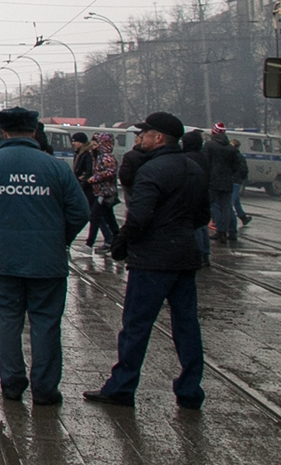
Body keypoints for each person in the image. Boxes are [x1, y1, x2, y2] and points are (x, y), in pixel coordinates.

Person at [0, 107, 90, 406]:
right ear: (33, 131)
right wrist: (59, 239)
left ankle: (12, 384)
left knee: (8, 321)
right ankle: (45, 389)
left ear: (2, 132)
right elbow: (81, 211)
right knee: (46, 322)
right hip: (48, 260)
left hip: (3, 258)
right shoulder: (56, 168)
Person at [86, 111, 211, 410]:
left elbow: (138, 217)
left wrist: (121, 243)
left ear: (158, 138)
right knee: (186, 326)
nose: (138, 138)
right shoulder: (193, 168)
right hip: (184, 257)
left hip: (152, 261)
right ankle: (190, 390)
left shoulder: (151, 171)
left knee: (136, 325)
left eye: (144, 133)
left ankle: (122, 387)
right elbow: (203, 217)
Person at [83, 134, 121, 251]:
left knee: (95, 216)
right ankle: (118, 241)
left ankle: (89, 244)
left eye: (95, 144)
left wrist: (94, 179)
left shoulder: (106, 157)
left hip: (105, 193)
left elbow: (110, 172)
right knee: (109, 219)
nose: (93, 147)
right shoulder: (98, 157)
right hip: (101, 192)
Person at [205, 124, 242, 244]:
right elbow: (236, 166)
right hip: (227, 182)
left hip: (213, 181)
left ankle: (219, 231)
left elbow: (205, 162)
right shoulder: (231, 149)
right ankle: (226, 231)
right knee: (226, 207)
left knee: (213, 206)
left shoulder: (209, 146)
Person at [182, 130, 211, 264]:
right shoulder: (202, 156)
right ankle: (205, 251)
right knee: (202, 224)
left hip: (192, 192)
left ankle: (199, 253)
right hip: (204, 190)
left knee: (195, 225)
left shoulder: (187, 158)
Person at [228, 135, 252, 225]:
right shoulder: (240, 157)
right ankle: (243, 217)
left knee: (230, 203)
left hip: (232, 181)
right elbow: (244, 170)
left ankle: (231, 223)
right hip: (236, 181)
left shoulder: (232, 156)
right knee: (236, 200)